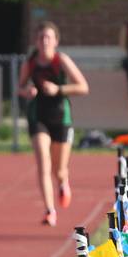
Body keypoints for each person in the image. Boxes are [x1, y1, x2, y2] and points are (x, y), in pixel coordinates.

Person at [18, 21, 88, 227]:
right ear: (36, 41)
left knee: (58, 170)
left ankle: (63, 181)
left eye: (48, 37)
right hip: (38, 116)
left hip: (61, 117)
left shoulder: (61, 61)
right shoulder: (29, 63)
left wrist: (58, 89)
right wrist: (27, 91)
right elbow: (19, 87)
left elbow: (83, 87)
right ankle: (49, 210)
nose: (44, 41)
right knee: (43, 162)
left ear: (56, 41)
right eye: (41, 38)